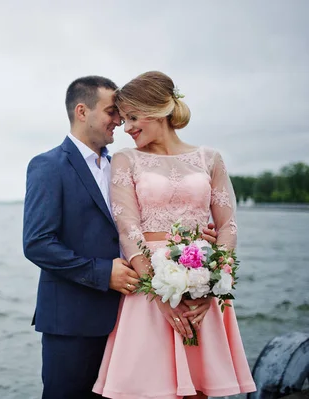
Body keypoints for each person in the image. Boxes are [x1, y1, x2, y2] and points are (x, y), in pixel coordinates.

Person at [23, 76, 217, 399]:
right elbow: (37, 243)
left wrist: (197, 236)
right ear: (82, 111)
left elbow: (150, 220)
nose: (119, 121)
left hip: (130, 319)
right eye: (112, 112)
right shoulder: (48, 166)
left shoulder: (124, 166)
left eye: (123, 115)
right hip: (73, 323)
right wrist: (103, 273)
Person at [92, 71, 257, 399]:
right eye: (124, 119)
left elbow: (228, 226)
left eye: (134, 117)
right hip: (149, 290)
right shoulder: (126, 159)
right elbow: (128, 227)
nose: (127, 127)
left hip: (201, 290)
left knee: (199, 389)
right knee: (146, 389)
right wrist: (160, 296)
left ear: (159, 110)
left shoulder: (210, 158)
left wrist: (214, 284)